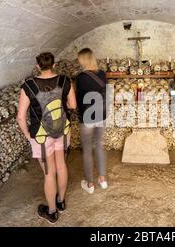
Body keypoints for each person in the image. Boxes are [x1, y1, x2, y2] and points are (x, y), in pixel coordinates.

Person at [17, 52, 76, 223]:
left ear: (38, 66)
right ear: (54, 64)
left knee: (49, 173)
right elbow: (72, 105)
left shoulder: (28, 86)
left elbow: (21, 117)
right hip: (62, 130)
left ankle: (51, 211)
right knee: (61, 166)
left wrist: (29, 136)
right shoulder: (65, 81)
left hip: (42, 136)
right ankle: (61, 202)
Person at [75, 48, 108, 194]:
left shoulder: (81, 77)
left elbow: (79, 99)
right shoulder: (102, 74)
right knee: (99, 146)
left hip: (87, 117)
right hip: (101, 115)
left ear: (83, 60)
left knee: (87, 150)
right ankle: (102, 180)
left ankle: (90, 184)